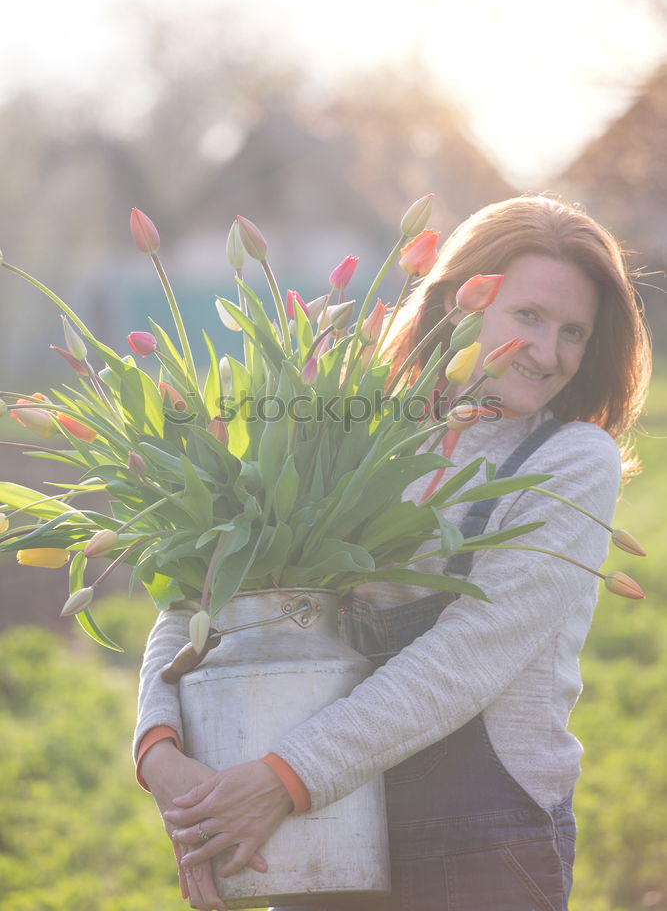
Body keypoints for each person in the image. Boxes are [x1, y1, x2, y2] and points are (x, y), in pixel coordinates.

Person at [134, 194, 651, 911]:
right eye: (527, 315)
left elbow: (468, 656)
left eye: (573, 332)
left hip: (475, 841)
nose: (548, 352)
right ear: (456, 301)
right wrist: (160, 754)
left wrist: (284, 777)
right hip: (315, 821)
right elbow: (204, 589)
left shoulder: (569, 459)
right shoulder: (346, 424)